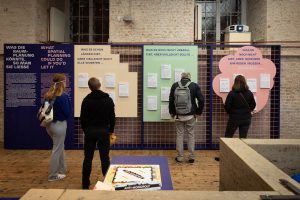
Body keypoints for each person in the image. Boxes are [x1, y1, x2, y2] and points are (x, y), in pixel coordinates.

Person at [80, 77, 115, 189]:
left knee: (88, 158)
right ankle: (107, 182)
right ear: (99, 85)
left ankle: (85, 184)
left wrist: (86, 130)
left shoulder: (86, 100)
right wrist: (111, 131)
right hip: (104, 131)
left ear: (89, 87)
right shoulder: (108, 99)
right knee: (105, 158)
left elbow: (82, 119)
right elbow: (112, 118)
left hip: (90, 131)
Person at [169, 72, 204, 163]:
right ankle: (191, 157)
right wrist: (198, 112)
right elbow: (201, 99)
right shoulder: (194, 86)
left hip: (179, 115)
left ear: (181, 77)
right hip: (191, 115)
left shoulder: (175, 85)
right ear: (189, 77)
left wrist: (172, 112)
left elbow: (171, 100)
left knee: (179, 135)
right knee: (191, 135)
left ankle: (180, 157)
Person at [44, 73, 72, 181]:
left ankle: (62, 169)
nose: (66, 83)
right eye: (65, 81)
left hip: (49, 125)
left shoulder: (48, 94)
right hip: (59, 125)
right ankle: (53, 175)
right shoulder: (63, 96)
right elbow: (67, 112)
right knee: (56, 150)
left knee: (59, 147)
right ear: (62, 82)